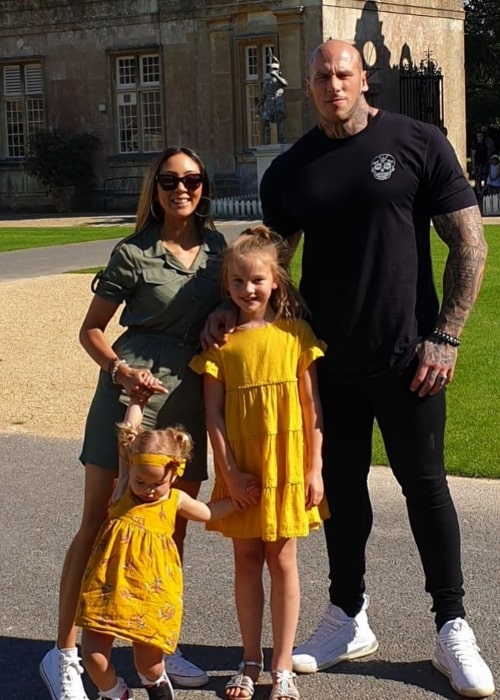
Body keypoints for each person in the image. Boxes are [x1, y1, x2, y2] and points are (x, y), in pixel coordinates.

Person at [203, 40, 495, 699]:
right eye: (320, 77)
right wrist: (227, 306)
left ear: (363, 78)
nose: (333, 85)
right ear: (307, 88)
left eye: (343, 74)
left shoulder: (417, 142)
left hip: (408, 358)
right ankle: (347, 615)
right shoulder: (291, 171)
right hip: (326, 364)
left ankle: (452, 627)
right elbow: (264, 264)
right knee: (340, 490)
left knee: (425, 487)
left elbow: (469, 242)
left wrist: (445, 335)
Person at [40, 145, 227, 700]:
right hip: (131, 392)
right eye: (169, 180)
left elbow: (241, 303)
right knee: (98, 522)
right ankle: (65, 653)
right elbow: (91, 330)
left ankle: (155, 642)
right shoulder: (133, 251)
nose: (181, 189)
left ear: (203, 185)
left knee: (169, 531)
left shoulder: (219, 250)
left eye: (192, 179)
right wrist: (121, 371)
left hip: (188, 397)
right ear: (155, 189)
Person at [190, 226, 327, 700]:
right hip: (242, 465)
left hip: (287, 465)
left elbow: (312, 411)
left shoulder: (296, 336)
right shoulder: (221, 344)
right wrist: (228, 473)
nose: (248, 290)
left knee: (283, 559)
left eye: (256, 281)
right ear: (226, 287)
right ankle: (250, 659)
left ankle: (282, 663)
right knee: (247, 560)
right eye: (237, 283)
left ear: (276, 283)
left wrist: (315, 469)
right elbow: (212, 414)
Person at [75, 395, 243, 700]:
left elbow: (208, 512)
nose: (148, 491)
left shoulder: (176, 500)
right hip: (108, 586)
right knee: (93, 656)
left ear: (174, 474)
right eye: (142, 482)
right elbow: (128, 432)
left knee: (150, 664)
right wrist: (137, 400)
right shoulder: (126, 487)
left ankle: (158, 687)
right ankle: (114, 693)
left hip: (152, 591)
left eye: (157, 484)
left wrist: (237, 501)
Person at [257, 56, 289, 145]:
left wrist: (277, 76)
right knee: (265, 119)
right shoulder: (266, 83)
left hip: (278, 102)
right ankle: (267, 140)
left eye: (275, 69)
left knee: (280, 121)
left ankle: (282, 139)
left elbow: (285, 83)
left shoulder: (280, 81)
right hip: (269, 102)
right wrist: (258, 106)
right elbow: (263, 96)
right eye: (272, 69)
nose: (273, 71)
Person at [470, 130, 489, 196]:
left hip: (484, 163)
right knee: (478, 178)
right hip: (478, 163)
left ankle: (483, 191)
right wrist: (473, 165)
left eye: (481, 136)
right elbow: (473, 156)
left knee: (485, 177)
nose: (480, 137)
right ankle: (478, 192)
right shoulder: (474, 145)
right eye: (479, 136)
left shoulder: (485, 144)